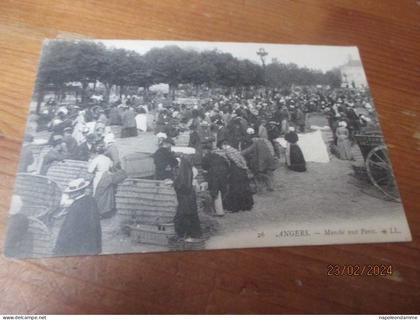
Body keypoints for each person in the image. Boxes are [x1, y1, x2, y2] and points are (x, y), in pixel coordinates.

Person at [54, 179, 102, 256]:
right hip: (91, 242)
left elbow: (69, 227)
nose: (69, 195)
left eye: (72, 193)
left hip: (78, 245)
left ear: (78, 192)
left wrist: (60, 245)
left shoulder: (76, 205)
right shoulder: (91, 200)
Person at [220, 140, 254, 212]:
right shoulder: (234, 150)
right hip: (242, 171)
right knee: (244, 188)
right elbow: (241, 160)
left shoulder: (228, 151)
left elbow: (233, 161)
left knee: (235, 189)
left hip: (236, 171)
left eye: (222, 147)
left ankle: (235, 207)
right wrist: (244, 167)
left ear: (224, 145)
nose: (222, 149)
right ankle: (247, 206)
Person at [173, 157, 202, 241]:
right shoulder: (189, 171)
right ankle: (195, 234)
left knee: (183, 215)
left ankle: (183, 234)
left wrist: (174, 184)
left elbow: (181, 185)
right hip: (190, 196)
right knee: (192, 215)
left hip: (184, 197)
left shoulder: (183, 173)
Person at [201, 145, 230, 215]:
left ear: (206, 150)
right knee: (221, 190)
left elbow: (204, 167)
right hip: (223, 173)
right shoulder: (218, 156)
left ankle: (217, 211)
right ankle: (221, 209)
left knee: (215, 191)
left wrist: (207, 171)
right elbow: (226, 164)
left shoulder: (206, 157)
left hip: (215, 174)